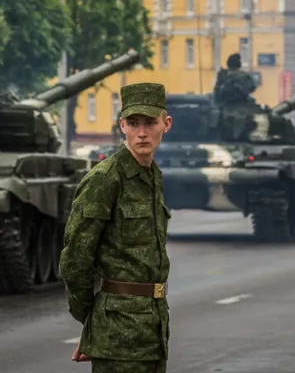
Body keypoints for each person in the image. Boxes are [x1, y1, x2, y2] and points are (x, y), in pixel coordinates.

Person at [59, 82, 173, 373]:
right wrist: (95, 323)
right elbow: (75, 258)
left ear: (166, 123)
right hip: (118, 332)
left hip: (153, 330)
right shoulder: (105, 178)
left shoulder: (152, 176)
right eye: (134, 123)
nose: (142, 132)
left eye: (150, 122)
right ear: (122, 124)